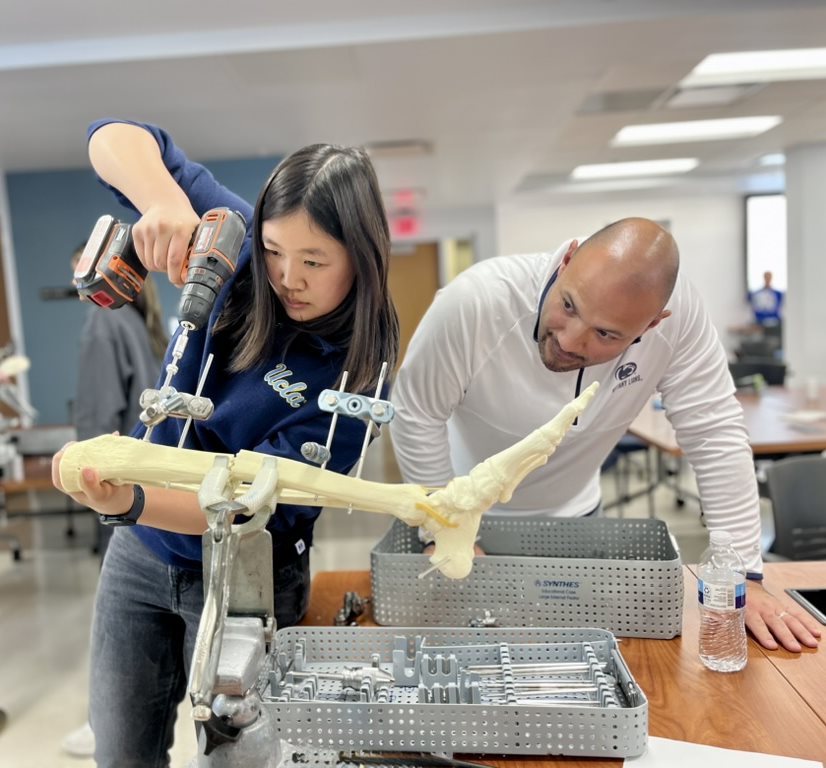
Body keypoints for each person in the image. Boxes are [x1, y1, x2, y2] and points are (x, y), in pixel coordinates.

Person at [51, 118, 399, 768]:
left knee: (238, 759)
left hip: (248, 574)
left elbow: (248, 504)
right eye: (273, 251)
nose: (286, 277)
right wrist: (165, 204)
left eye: (314, 261)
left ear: (362, 255)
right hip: (139, 561)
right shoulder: (234, 242)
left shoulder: (355, 372)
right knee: (121, 751)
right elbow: (113, 135)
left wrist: (129, 500)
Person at [390, 217, 821, 655]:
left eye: (606, 334)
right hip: (456, 519)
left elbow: (715, 432)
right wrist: (445, 529)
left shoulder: (680, 320)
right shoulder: (475, 302)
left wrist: (742, 574)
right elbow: (416, 414)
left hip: (578, 519)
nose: (570, 341)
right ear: (568, 259)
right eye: (570, 306)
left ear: (653, 324)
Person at [60, 246, 169, 759]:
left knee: (118, 618)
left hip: (116, 486)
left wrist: (79, 480)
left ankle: (101, 723)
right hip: (149, 483)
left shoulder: (104, 324)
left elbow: (97, 416)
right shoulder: (142, 321)